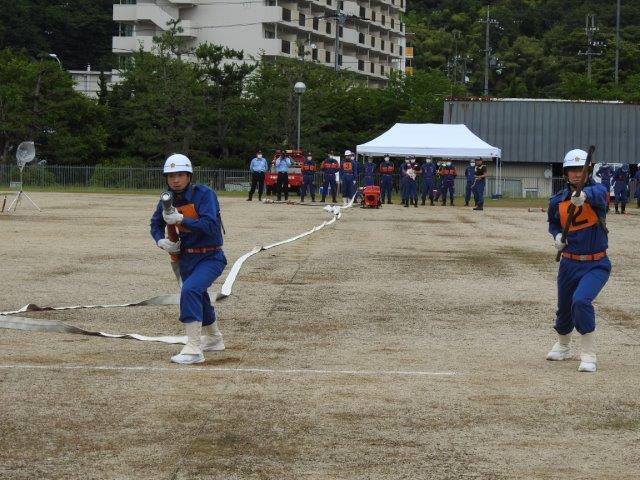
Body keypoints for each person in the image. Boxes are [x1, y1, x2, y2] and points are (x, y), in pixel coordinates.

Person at [150, 154, 227, 365]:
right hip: (186, 259)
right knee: (199, 295)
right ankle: (213, 338)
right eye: (171, 175)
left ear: (189, 175)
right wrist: (161, 241)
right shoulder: (166, 199)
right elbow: (155, 224)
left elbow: (210, 225)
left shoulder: (205, 194)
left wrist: (183, 219)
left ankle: (193, 348)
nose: (175, 179)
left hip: (211, 256)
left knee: (190, 290)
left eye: (180, 175)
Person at [547, 149, 610, 373]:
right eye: (572, 170)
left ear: (588, 170)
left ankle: (588, 353)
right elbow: (553, 224)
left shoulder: (598, 192)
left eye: (580, 169)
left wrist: (584, 198)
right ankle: (563, 346)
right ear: (565, 173)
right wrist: (556, 237)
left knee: (581, 301)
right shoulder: (557, 200)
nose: (576, 174)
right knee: (564, 307)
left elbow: (600, 195)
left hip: (596, 263)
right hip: (569, 263)